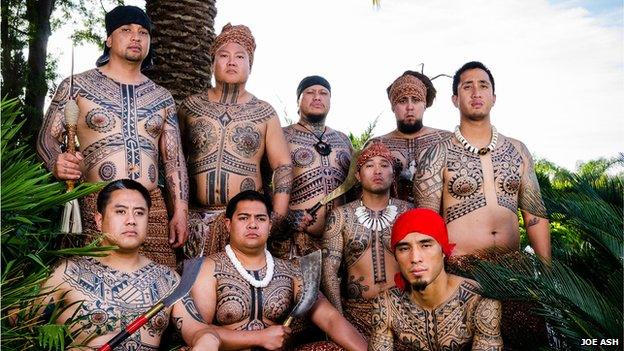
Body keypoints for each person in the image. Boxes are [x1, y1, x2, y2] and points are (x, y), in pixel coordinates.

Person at [36, 5, 188, 269]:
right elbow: (46, 139)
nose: (135, 37)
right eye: (126, 30)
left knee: (160, 289)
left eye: (143, 32)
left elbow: (174, 160)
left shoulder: (162, 97)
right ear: (108, 39)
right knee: (91, 288)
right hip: (97, 203)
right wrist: (55, 161)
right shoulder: (77, 86)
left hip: (151, 208)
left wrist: (181, 212)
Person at [38, 180, 219, 350]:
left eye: (139, 213)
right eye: (120, 211)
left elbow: (197, 329)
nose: (131, 220)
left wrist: (208, 340)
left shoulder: (168, 280)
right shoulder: (68, 272)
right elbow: (17, 324)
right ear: (99, 220)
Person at [190, 190, 367, 351]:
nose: (253, 224)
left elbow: (330, 319)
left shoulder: (290, 271)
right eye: (243, 218)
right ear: (228, 225)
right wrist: (261, 338)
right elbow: (198, 331)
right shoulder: (209, 268)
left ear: (270, 225)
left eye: (260, 218)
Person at [413, 61, 551, 260]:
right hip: (460, 274)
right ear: (455, 99)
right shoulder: (437, 154)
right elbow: (426, 225)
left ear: (493, 98)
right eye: (467, 86)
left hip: (513, 271)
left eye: (483, 86)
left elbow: (535, 217)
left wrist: (548, 275)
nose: (476, 92)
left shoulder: (518, 150)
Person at [178, 23, 293, 258]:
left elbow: (282, 165)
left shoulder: (264, 112)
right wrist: (178, 212)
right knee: (195, 290)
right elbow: (173, 161)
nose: (231, 62)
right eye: (224, 55)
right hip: (195, 223)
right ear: (212, 63)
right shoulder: (190, 107)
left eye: (240, 56)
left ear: (250, 65)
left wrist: (277, 216)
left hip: (245, 223)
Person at [368, 208, 503, 350]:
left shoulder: (479, 301)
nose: (415, 258)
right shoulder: (387, 304)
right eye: (404, 248)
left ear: (443, 251)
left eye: (425, 245)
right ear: (396, 256)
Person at [321, 142, 412, 339]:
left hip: (405, 312)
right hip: (355, 315)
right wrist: (339, 320)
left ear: (393, 174)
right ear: (358, 175)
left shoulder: (409, 212)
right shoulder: (342, 216)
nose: (377, 170)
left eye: (384, 165)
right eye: (369, 165)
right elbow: (329, 271)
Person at [275, 75, 353, 258]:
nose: (317, 97)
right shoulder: (282, 136)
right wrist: (286, 216)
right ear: (298, 101)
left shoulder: (343, 140)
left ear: (330, 101)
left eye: (323, 93)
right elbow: (260, 183)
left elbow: (355, 187)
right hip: (295, 242)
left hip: (339, 242)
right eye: (310, 92)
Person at [368, 70, 451, 202]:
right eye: (402, 101)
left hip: (436, 220)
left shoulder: (447, 140)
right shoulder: (376, 145)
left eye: (416, 100)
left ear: (424, 105)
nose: (410, 107)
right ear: (393, 106)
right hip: (391, 219)